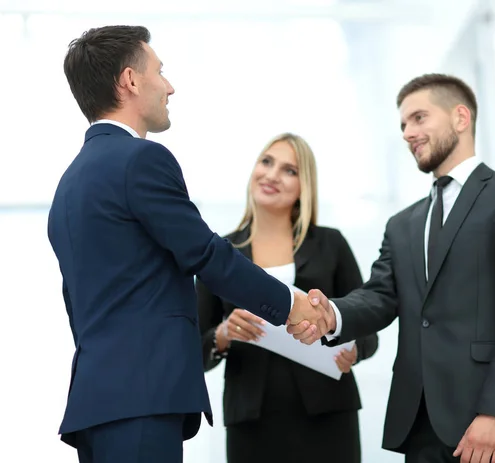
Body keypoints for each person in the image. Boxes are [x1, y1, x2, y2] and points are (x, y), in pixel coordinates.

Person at [47, 26, 324, 463]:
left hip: (95, 403)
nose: (169, 86)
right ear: (131, 81)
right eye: (160, 71)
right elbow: (206, 253)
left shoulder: (69, 183)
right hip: (142, 398)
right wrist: (290, 305)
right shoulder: (141, 159)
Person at [289, 73, 495, 463]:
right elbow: (379, 296)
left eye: (418, 118)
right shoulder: (402, 224)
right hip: (419, 428)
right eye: (402, 124)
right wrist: (331, 313)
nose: (407, 132)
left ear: (460, 118)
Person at [195, 133, 379, 463]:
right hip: (251, 419)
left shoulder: (330, 245)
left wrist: (354, 349)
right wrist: (223, 335)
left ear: (303, 187)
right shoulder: (220, 254)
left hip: (327, 415)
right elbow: (193, 349)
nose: (272, 175)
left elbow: (367, 329)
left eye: (289, 170)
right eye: (266, 162)